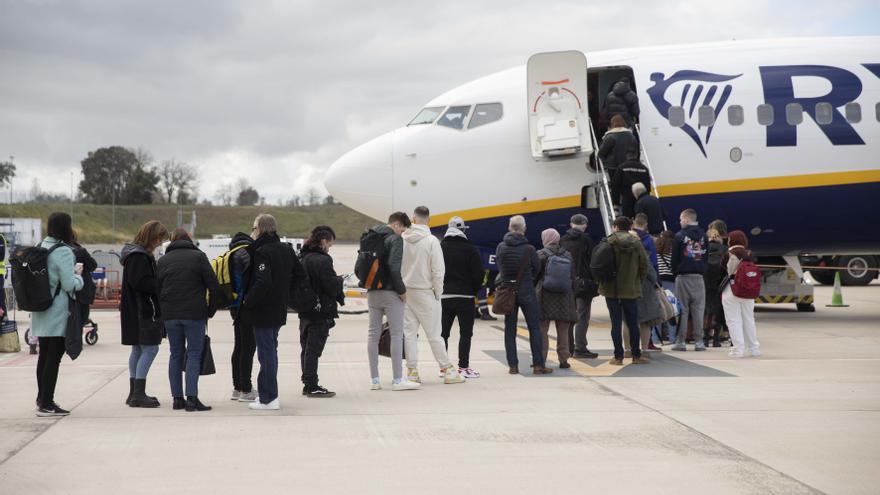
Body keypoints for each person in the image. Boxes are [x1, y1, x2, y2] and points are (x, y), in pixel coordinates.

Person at [241, 214, 307, 410]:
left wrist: (248, 299)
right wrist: (286, 294)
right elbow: (300, 275)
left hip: (263, 310)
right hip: (279, 308)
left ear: (260, 228)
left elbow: (263, 281)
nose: (252, 231)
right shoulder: (286, 250)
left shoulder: (262, 251)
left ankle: (269, 397)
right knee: (270, 351)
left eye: (253, 227)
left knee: (266, 353)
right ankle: (268, 395)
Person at [157, 228, 220, 412]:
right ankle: (191, 398)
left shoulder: (163, 261)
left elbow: (157, 289)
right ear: (189, 239)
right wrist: (210, 310)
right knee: (193, 354)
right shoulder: (199, 257)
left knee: (175, 354)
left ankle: (177, 399)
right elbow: (214, 286)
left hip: (170, 314)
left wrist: (163, 313)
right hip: (194, 314)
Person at [402, 207, 465, 385]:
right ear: (428, 220)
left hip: (407, 292)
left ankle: (412, 371)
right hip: (426, 292)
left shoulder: (403, 239)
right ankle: (447, 370)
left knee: (410, 334)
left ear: (413, 219)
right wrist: (438, 293)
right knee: (434, 334)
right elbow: (438, 271)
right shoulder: (431, 241)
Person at [31, 213, 84, 417]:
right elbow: (69, 285)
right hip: (57, 311)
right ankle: (47, 403)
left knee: (44, 356)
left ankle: (41, 398)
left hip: (41, 309)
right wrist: (78, 276)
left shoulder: (41, 246)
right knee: (54, 358)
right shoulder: (63, 251)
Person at [365, 212, 420, 391]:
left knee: (373, 334)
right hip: (390, 292)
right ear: (396, 224)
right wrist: (402, 291)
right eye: (402, 230)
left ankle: (374, 380)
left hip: (372, 291)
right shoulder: (395, 240)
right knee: (396, 335)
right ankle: (397, 379)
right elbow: (394, 269)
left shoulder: (369, 236)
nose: (401, 234)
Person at [120, 220, 169, 408]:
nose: (159, 242)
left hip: (133, 310)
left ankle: (134, 392)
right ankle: (138, 393)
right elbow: (141, 283)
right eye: (159, 238)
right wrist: (160, 283)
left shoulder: (133, 255)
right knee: (150, 348)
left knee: (138, 349)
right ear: (152, 237)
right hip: (143, 311)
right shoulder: (139, 257)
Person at [496, 215, 551, 374]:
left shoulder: (501, 247)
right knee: (534, 327)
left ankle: (513, 366)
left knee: (510, 329)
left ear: (509, 227)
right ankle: (538, 365)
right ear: (524, 229)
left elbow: (500, 267)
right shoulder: (529, 249)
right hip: (527, 290)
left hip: (508, 292)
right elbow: (537, 268)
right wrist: (528, 280)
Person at [298, 226, 345, 397]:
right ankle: (311, 384)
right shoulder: (323, 261)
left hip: (305, 309)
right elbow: (330, 286)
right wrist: (339, 281)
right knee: (314, 349)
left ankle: (307, 381)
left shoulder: (302, 257)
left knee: (306, 347)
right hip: (321, 309)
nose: (329, 248)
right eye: (330, 244)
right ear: (324, 241)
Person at [599, 216, 650, 365]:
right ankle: (636, 355)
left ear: (615, 226)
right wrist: (637, 281)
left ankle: (618, 356)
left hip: (611, 289)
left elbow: (598, 264)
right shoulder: (636, 242)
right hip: (630, 289)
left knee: (616, 323)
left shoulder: (608, 241)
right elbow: (644, 265)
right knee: (633, 323)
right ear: (630, 227)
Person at [440, 216, 484, 378]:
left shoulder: (440, 247)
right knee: (466, 333)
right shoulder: (470, 248)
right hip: (465, 296)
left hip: (444, 296)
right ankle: (463, 367)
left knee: (443, 333)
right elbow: (479, 274)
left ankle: (444, 368)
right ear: (463, 230)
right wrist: (473, 289)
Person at [535, 228, 576, 368]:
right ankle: (564, 360)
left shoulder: (540, 254)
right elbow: (572, 277)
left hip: (544, 296)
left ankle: (541, 359)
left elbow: (534, 276)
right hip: (564, 296)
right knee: (563, 330)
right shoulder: (568, 255)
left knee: (542, 330)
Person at [559, 214, 599, 359]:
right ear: (584, 225)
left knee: (569, 317)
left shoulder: (562, 240)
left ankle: (568, 348)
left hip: (567, 283)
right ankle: (580, 347)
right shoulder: (587, 240)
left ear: (571, 224)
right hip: (584, 284)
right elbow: (593, 262)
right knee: (582, 316)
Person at [670, 209, 709, 352]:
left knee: (683, 310)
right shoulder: (704, 235)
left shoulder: (679, 236)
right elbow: (706, 257)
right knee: (698, 310)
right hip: (699, 277)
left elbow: (674, 259)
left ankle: (681, 341)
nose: (680, 222)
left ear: (686, 219)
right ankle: (699, 342)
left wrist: (676, 272)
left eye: (681, 219)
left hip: (683, 276)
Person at [228, 231, 257, 402]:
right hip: (245, 304)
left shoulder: (231, 252)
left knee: (239, 346)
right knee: (248, 347)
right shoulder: (245, 253)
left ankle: (237, 387)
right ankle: (246, 389)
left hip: (234, 305)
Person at [722, 230, 760, 358]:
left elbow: (728, 272)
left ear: (731, 241)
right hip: (748, 291)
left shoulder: (729, 254)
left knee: (733, 320)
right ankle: (754, 349)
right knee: (749, 319)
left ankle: (738, 349)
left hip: (732, 290)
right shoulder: (749, 254)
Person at [703, 226, 728, 348]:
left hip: (706, 284)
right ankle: (716, 340)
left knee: (707, 311)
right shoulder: (724, 249)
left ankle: (705, 339)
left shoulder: (704, 248)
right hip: (719, 284)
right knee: (718, 311)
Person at [611, 151, 652, 218]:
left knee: (627, 218)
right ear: (636, 156)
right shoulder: (644, 168)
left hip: (627, 198)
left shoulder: (622, 167)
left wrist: (616, 203)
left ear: (627, 157)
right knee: (640, 218)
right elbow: (648, 186)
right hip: (641, 199)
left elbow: (615, 185)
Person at [71, 235, 98, 333]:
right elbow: (93, 265)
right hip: (82, 288)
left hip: (66, 290)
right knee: (82, 315)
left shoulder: (57, 250)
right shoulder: (80, 251)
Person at [655, 231, 677, 342]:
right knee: (671, 310)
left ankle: (656, 338)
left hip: (658, 283)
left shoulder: (655, 253)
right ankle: (673, 338)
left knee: (658, 310)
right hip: (671, 283)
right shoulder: (672, 252)